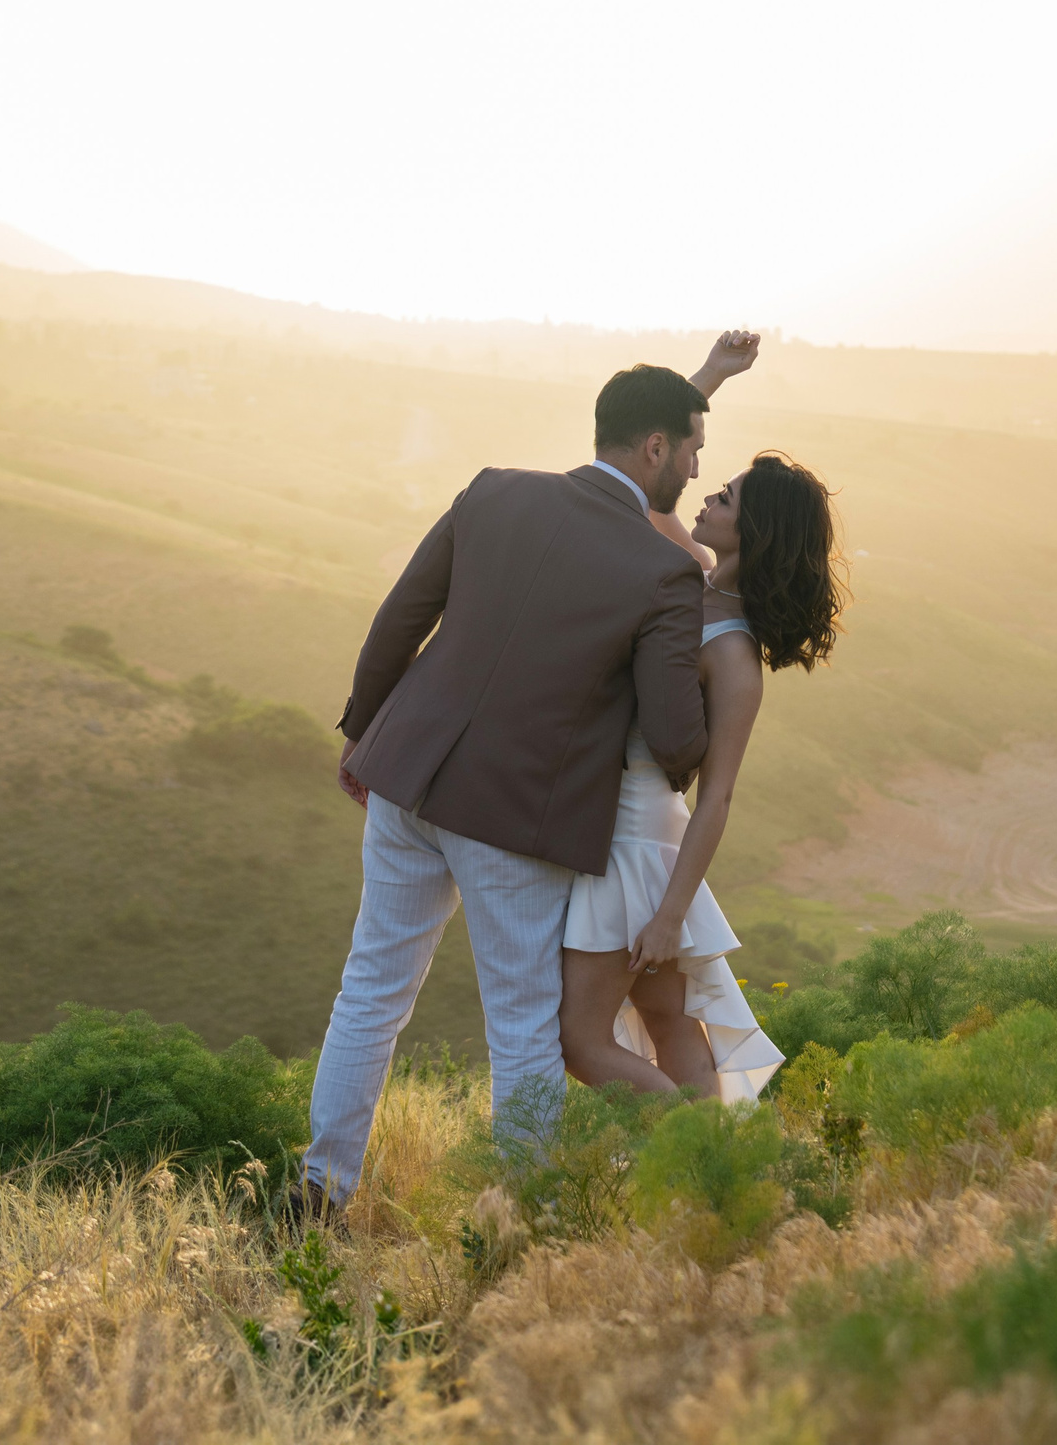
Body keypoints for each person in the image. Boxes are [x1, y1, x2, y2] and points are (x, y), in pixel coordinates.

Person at [296, 330, 761, 1212]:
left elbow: (400, 620)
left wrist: (363, 734)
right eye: (694, 449)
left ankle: (320, 1192)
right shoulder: (663, 571)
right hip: (515, 820)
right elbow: (674, 740)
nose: (698, 471)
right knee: (520, 1029)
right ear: (656, 446)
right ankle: (526, 1222)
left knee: (369, 993)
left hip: (407, 778)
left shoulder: (493, 491)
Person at [557, 448, 845, 1102]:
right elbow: (641, 479)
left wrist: (670, 915)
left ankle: (695, 1153)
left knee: (580, 1040)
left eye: (726, 497)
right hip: (615, 832)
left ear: (756, 530)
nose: (707, 498)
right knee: (670, 1024)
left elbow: (717, 798)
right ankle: (707, 1178)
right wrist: (709, 378)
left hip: (634, 842)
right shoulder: (687, 573)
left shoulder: (736, 657)